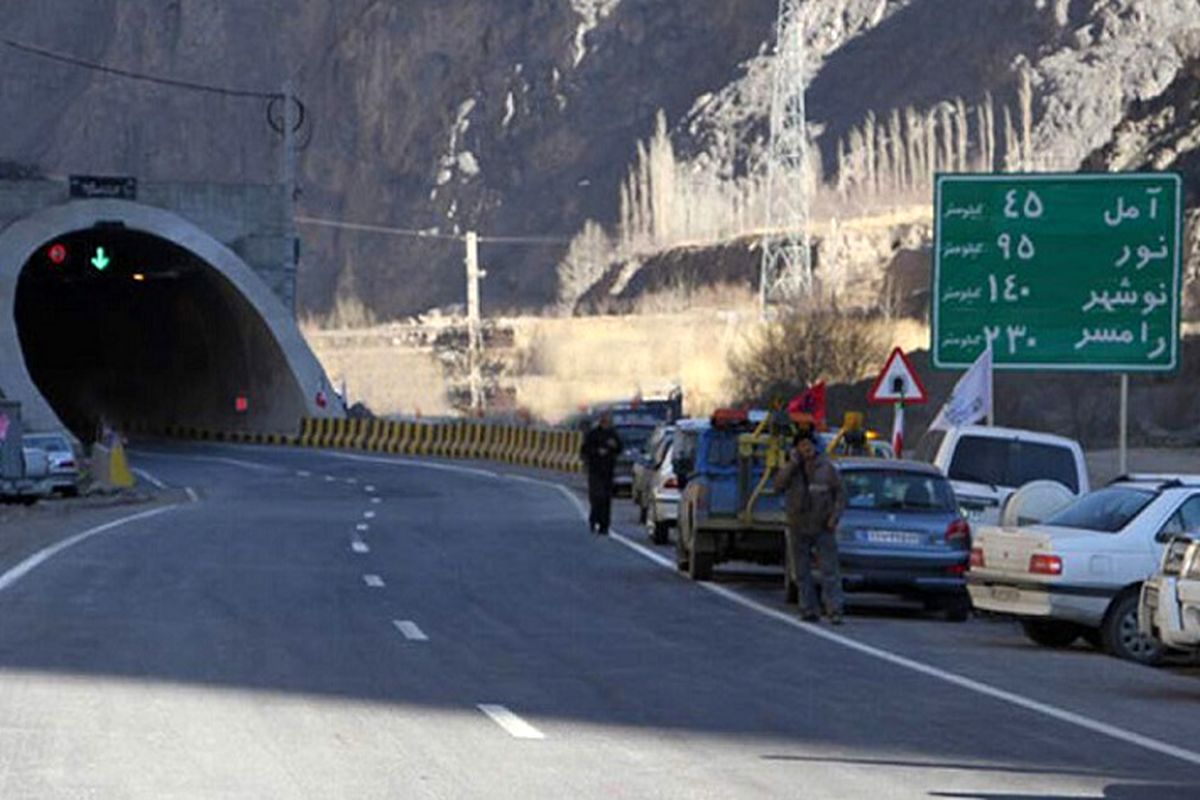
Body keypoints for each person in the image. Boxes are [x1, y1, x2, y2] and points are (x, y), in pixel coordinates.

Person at [774, 427, 846, 624]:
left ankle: (834, 610)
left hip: (823, 526)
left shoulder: (827, 468)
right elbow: (778, 485)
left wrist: (834, 517)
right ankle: (808, 609)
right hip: (798, 525)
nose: (806, 449)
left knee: (829, 571)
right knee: (802, 572)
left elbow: (840, 494)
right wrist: (792, 465)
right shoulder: (793, 469)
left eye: (808, 445)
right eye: (801, 446)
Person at [580, 411, 623, 535]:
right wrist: (597, 451)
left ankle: (604, 525)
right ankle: (594, 519)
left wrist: (613, 447)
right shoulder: (593, 434)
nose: (607, 422)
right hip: (595, 470)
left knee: (606, 499)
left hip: (608, 471)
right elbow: (585, 450)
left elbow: (619, 448)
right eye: (605, 419)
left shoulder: (613, 434)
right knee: (596, 497)